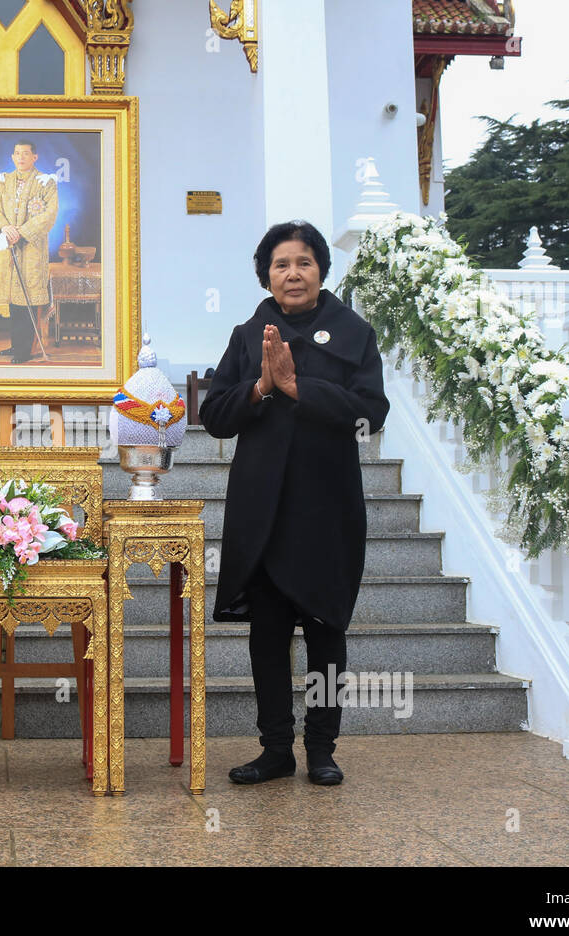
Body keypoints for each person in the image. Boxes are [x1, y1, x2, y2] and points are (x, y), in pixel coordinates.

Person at [198, 221, 390, 787]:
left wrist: (299, 388)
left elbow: (370, 412)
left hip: (326, 506)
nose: (292, 274)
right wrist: (260, 386)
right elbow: (214, 417)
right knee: (268, 633)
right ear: (266, 275)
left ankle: (322, 750)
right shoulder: (246, 334)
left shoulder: (352, 332)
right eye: (281, 264)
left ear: (321, 270)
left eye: (303, 262)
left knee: (326, 629)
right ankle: (276, 749)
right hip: (264, 508)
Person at [0, 139, 58, 363]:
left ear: (34, 157)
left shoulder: (46, 182)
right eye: (17, 153)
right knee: (13, 300)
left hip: (31, 249)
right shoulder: (3, 181)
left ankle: (25, 350)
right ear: (12, 157)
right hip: (8, 246)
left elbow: (49, 214)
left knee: (27, 300)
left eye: (25, 154)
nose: (21, 157)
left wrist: (21, 232)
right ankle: (16, 344)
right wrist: (4, 229)